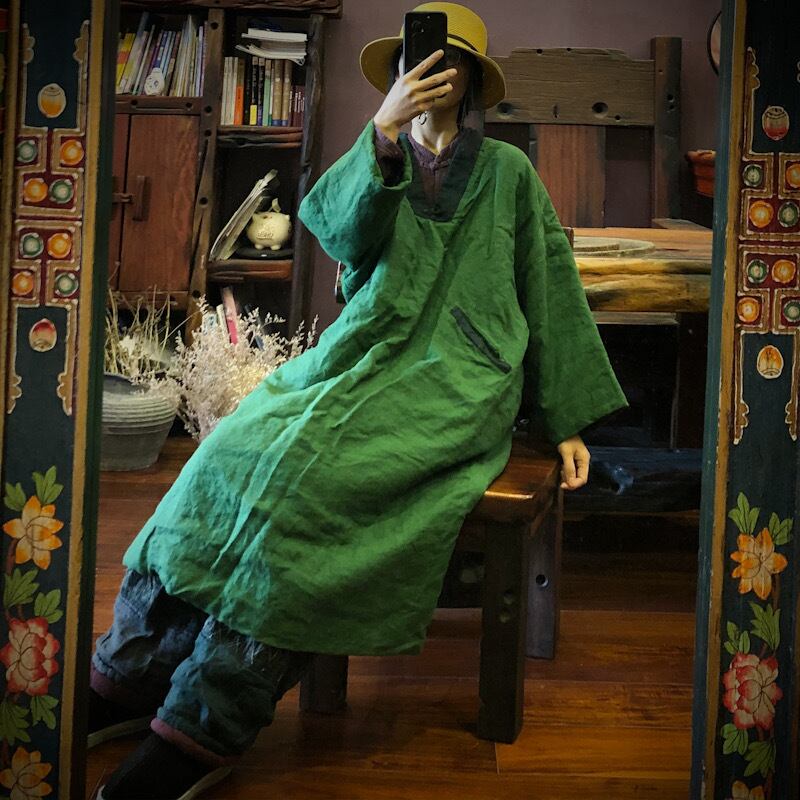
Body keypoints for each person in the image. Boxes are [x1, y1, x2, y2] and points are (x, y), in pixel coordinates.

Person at [89, 3, 629, 798]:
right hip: (354, 357)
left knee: (311, 494)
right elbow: (341, 236)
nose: (432, 71)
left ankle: (205, 723)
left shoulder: (509, 172)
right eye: (419, 58)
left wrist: (566, 418)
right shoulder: (379, 149)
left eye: (450, 60)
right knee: (224, 456)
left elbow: (547, 285)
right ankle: (135, 674)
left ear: (473, 80)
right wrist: (382, 132)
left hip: (458, 380)